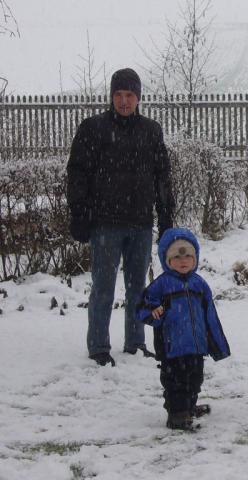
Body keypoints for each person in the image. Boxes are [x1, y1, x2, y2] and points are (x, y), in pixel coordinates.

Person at [67, 67, 174, 367]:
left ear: (138, 98)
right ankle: (98, 346)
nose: (124, 101)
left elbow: (162, 176)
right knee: (103, 287)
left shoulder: (151, 131)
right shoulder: (93, 128)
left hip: (140, 223)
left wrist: (166, 215)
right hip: (105, 224)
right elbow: (77, 172)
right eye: (118, 95)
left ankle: (135, 343)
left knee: (138, 287)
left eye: (129, 95)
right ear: (111, 97)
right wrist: (79, 212)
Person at [136, 227, 231, 430]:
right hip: (172, 346)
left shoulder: (200, 284)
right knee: (175, 381)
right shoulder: (161, 285)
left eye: (188, 256)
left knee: (195, 378)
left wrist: (217, 344)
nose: (183, 261)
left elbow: (210, 315)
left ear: (195, 259)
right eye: (177, 257)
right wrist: (153, 312)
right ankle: (177, 414)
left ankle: (188, 406)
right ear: (167, 260)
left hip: (196, 346)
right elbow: (142, 307)